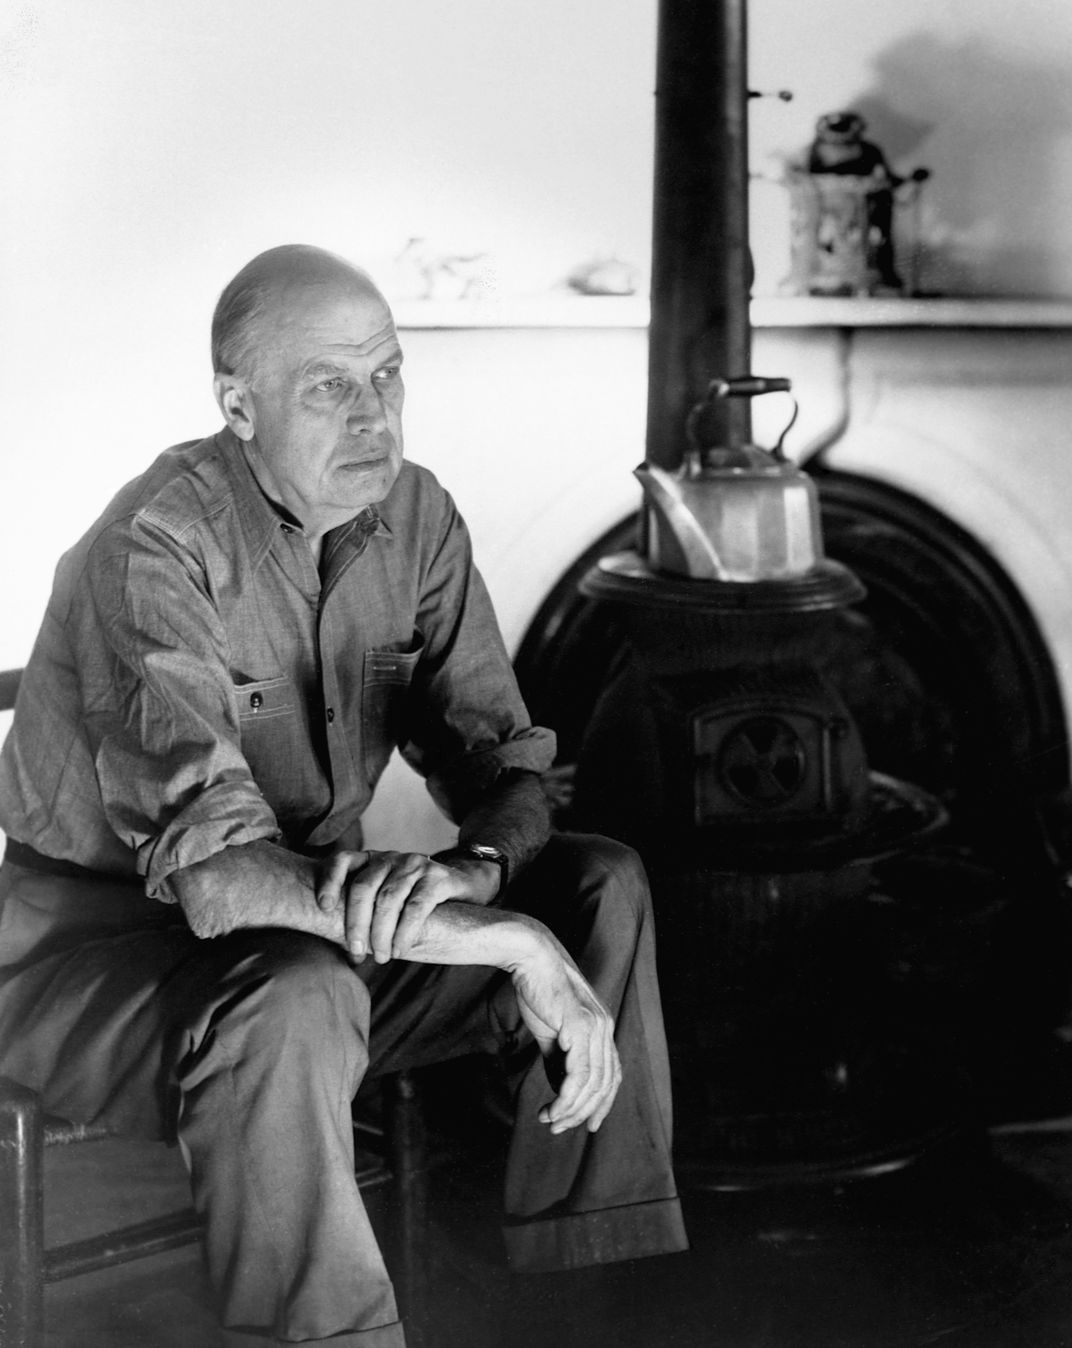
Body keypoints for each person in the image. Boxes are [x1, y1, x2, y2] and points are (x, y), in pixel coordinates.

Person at [0, 245, 687, 1345]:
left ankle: (589, 1289)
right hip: (103, 961)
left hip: (326, 919)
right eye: (329, 386)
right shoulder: (158, 545)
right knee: (301, 990)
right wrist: (504, 942)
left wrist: (479, 874)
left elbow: (506, 764)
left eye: (388, 375)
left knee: (599, 883)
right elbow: (218, 883)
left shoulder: (414, 517)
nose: (373, 416)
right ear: (238, 403)